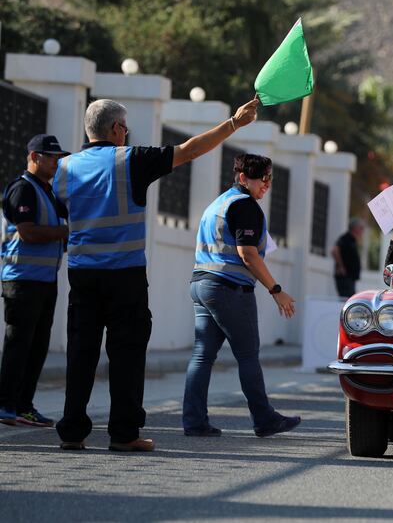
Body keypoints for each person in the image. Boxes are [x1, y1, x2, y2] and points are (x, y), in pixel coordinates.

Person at [54, 95, 259, 452]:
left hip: (82, 274)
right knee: (127, 353)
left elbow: (62, 209)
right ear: (117, 129)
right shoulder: (130, 159)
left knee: (80, 352)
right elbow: (190, 150)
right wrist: (234, 124)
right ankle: (124, 433)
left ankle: (72, 431)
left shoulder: (66, 167)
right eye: (126, 127)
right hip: (125, 273)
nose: (127, 133)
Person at [184, 153, 300, 438]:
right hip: (229, 288)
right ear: (242, 178)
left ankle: (194, 422)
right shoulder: (245, 206)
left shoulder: (219, 203)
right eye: (262, 179)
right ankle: (264, 419)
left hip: (202, 284)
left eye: (269, 178)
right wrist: (276, 290)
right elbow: (247, 254)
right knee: (248, 355)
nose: (267, 184)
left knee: (202, 356)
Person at [0, 135, 69, 427]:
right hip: (22, 279)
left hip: (43, 279)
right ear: (34, 157)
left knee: (37, 345)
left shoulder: (48, 192)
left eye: (57, 157)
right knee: (19, 344)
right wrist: (65, 234)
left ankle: (23, 405)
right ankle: (6, 405)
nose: (56, 161)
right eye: (50, 156)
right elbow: (27, 232)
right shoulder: (22, 189)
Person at [331, 218, 364, 297]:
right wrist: (340, 266)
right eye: (361, 228)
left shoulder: (353, 240)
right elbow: (334, 251)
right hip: (345, 278)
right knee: (347, 301)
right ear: (355, 228)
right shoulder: (346, 238)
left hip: (350, 278)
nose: (362, 231)